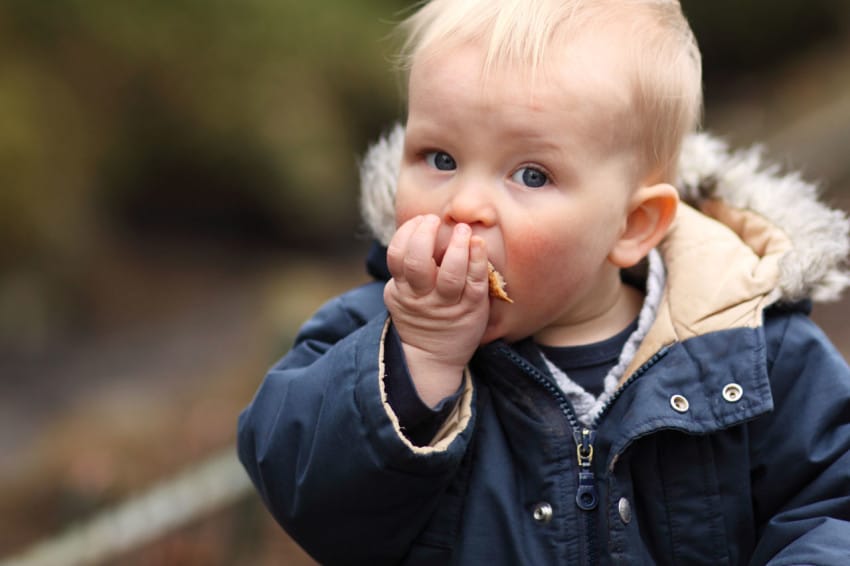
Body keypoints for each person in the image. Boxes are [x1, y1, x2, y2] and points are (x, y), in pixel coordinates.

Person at [237, 0, 850, 563]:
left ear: (632, 225)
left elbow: (831, 505)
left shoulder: (752, 352)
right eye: (441, 159)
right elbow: (307, 496)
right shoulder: (369, 338)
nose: (465, 205)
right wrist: (417, 357)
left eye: (530, 175)